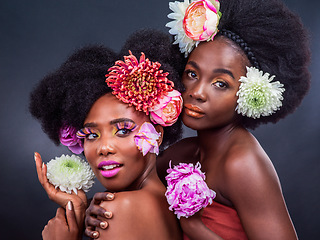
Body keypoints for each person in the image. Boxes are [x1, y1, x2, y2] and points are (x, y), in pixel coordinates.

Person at [85, 0, 311, 239]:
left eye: (220, 84)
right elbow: (138, 186)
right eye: (192, 74)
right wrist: (91, 208)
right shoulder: (183, 153)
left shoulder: (242, 164)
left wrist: (195, 228)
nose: (197, 92)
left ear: (248, 94)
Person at [30, 29, 186, 239]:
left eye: (122, 130)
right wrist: (80, 209)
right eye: (92, 135)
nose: (104, 148)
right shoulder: (164, 198)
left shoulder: (121, 209)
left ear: (157, 134)